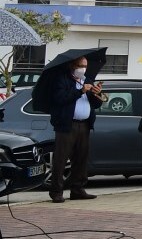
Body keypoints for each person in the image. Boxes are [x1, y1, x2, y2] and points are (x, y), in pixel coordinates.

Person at [47, 56, 103, 202]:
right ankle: (56, 191)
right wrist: (80, 91)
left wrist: (96, 94)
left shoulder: (87, 80)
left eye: (85, 66)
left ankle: (77, 189)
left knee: (81, 158)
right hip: (67, 124)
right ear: (73, 65)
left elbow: (95, 105)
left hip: (84, 124)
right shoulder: (62, 79)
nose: (83, 69)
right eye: (80, 66)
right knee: (61, 159)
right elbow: (61, 99)